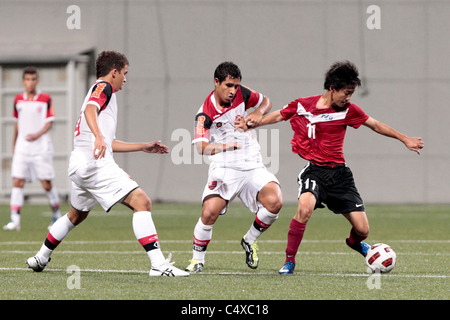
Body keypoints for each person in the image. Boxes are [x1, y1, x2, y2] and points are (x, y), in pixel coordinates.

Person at [237, 61, 424, 274]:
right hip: (315, 172)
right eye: (347, 92)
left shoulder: (349, 111)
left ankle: (355, 243)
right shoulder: (303, 105)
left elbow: (375, 124)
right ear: (332, 88)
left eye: (352, 93)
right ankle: (289, 261)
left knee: (363, 230)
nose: (349, 97)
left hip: (340, 176)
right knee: (304, 209)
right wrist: (255, 123)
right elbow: (280, 115)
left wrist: (404, 138)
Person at [26, 51, 189, 277]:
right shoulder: (104, 88)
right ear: (114, 72)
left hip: (80, 165)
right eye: (124, 73)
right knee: (142, 201)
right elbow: (91, 110)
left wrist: (142, 146)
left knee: (76, 215)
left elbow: (108, 141)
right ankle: (159, 265)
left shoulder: (103, 94)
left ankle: (41, 257)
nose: (125, 79)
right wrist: (98, 137)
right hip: (94, 164)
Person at [185, 61, 283, 273]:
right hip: (225, 167)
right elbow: (201, 147)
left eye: (236, 86)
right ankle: (197, 260)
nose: (233, 91)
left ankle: (249, 240)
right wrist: (225, 146)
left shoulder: (243, 94)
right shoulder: (205, 112)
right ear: (216, 82)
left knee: (275, 202)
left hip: (252, 164)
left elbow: (266, 101)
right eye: (228, 85)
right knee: (210, 212)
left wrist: (258, 114)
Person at [3, 67, 61, 231]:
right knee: (17, 181)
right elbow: (17, 123)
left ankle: (56, 215)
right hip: (23, 148)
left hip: (41, 147)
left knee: (46, 183)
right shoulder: (18, 100)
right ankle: (15, 220)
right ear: (23, 81)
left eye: (33, 79)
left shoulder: (45, 98)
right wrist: (15, 144)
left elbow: (49, 122)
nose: (30, 82)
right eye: (27, 79)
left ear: (37, 80)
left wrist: (37, 134)